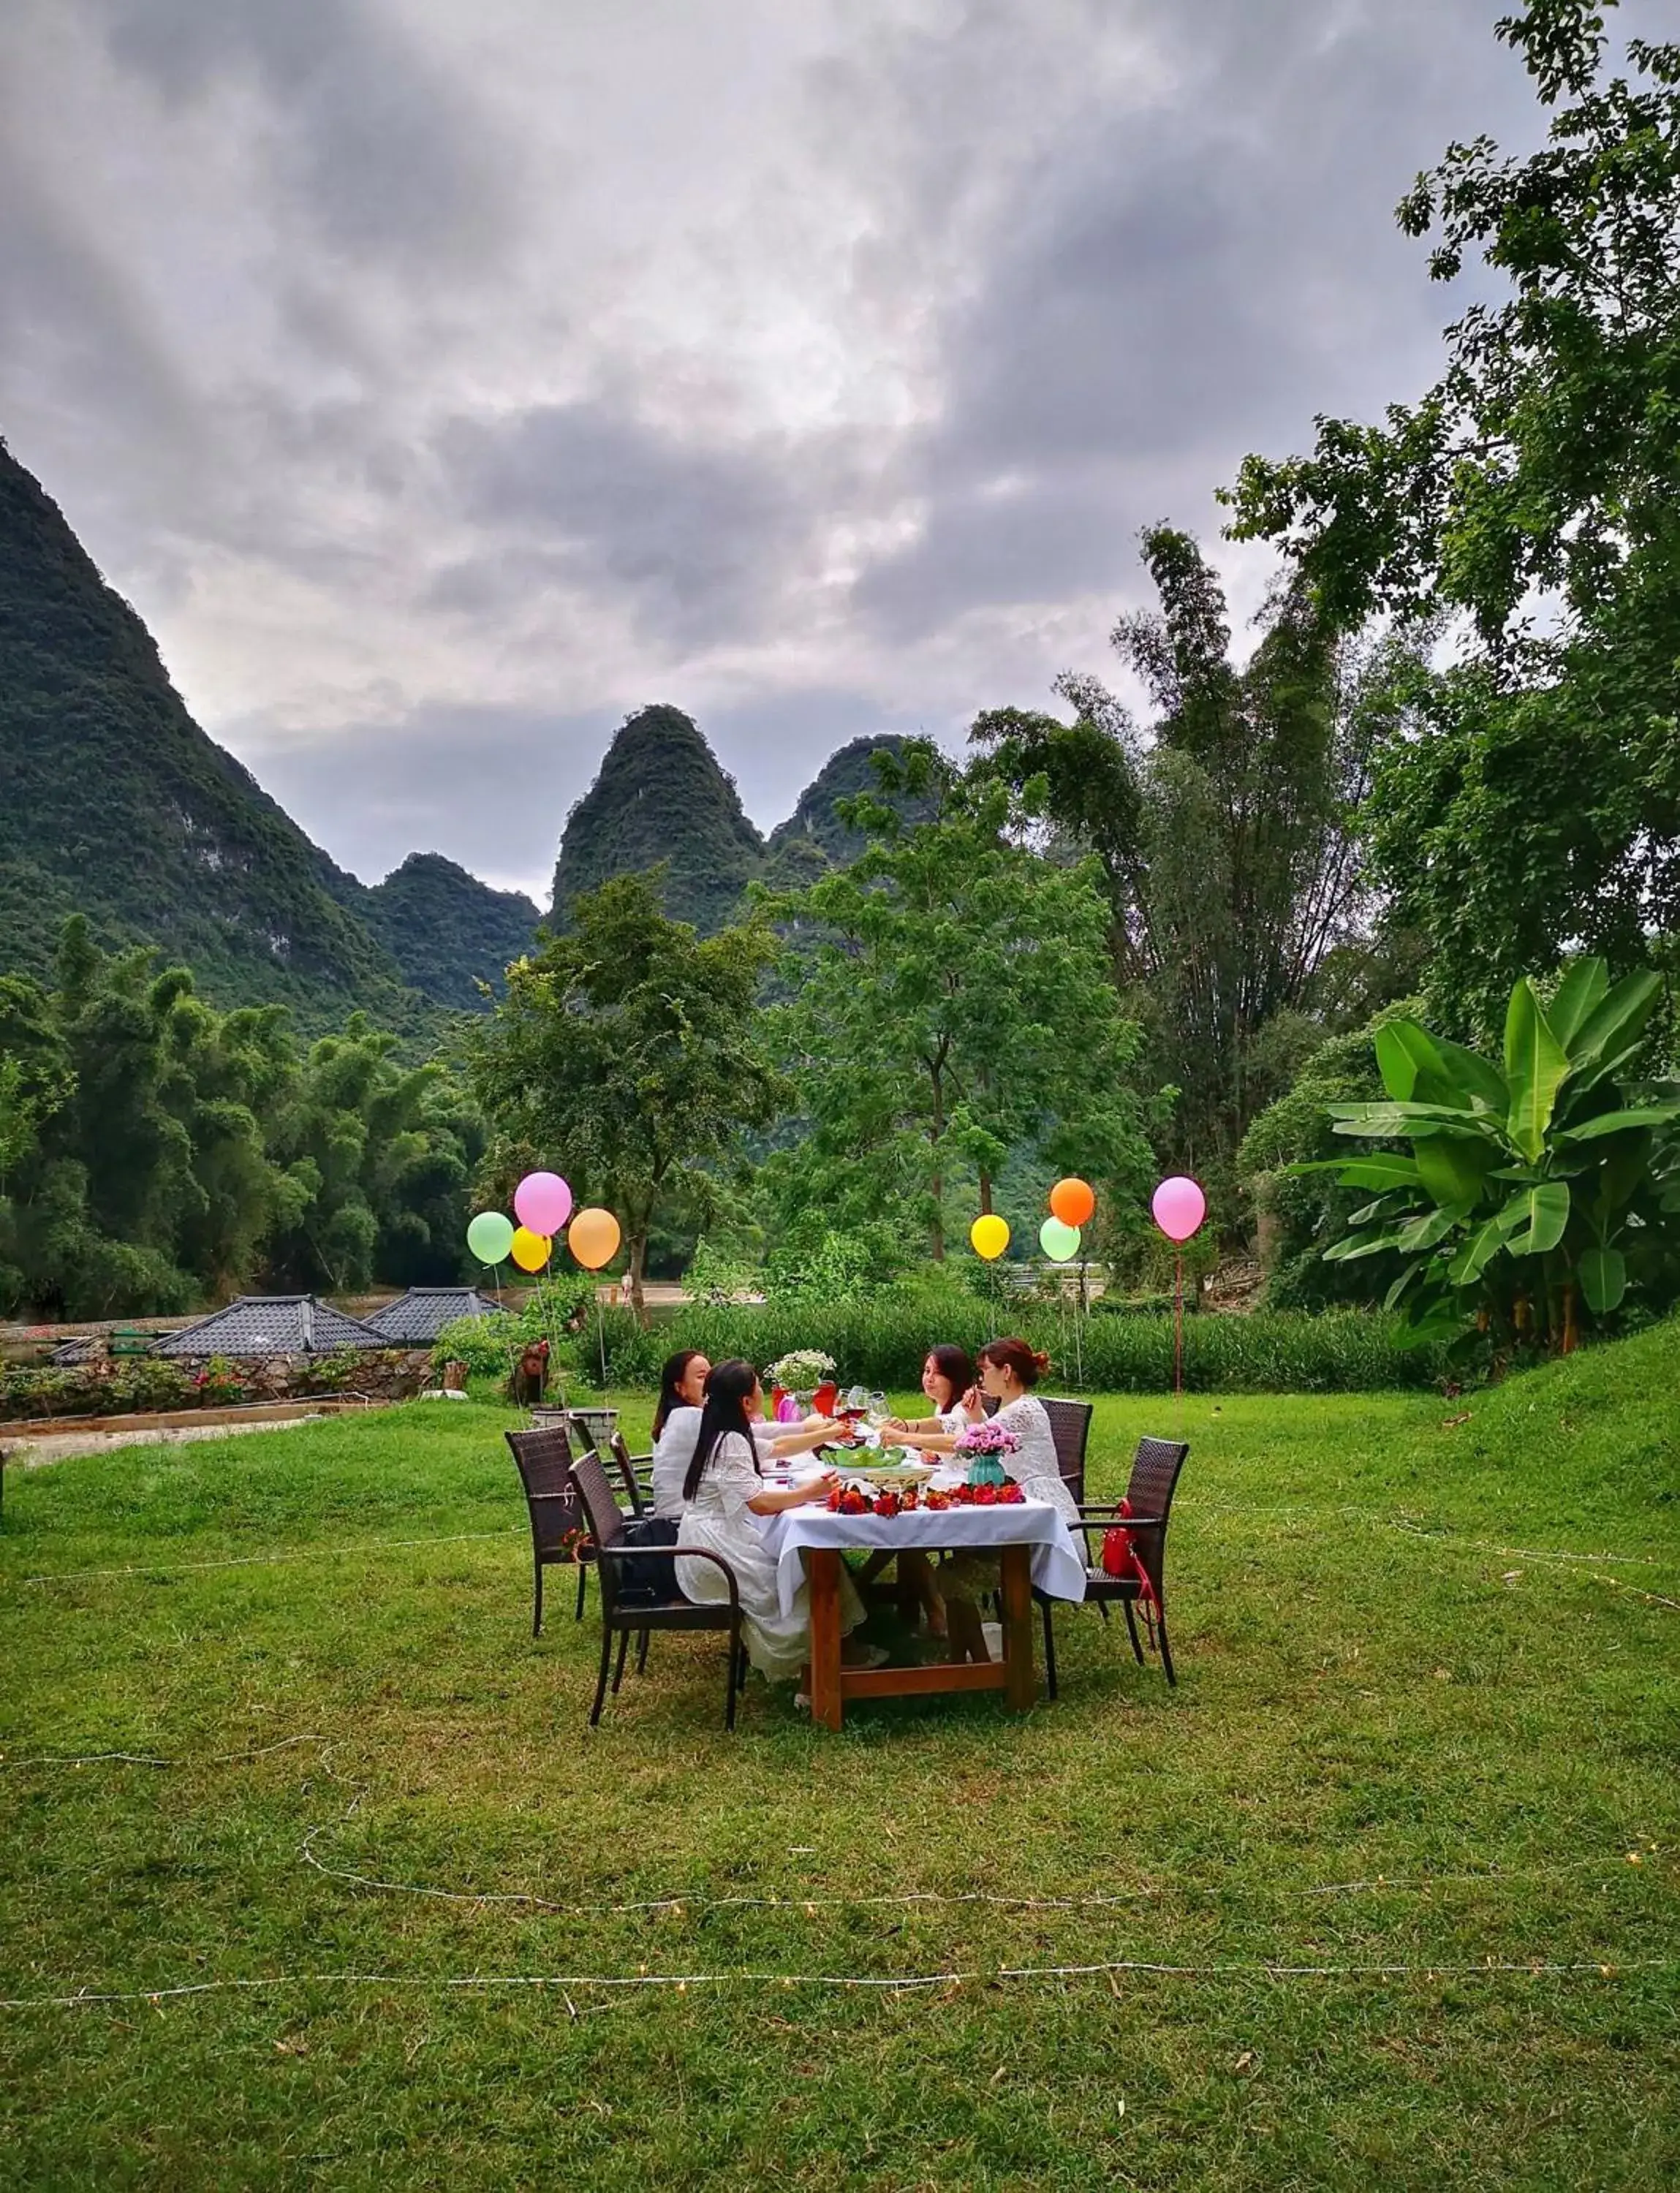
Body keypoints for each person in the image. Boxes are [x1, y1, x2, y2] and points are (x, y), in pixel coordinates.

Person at [676, 1359, 876, 1689]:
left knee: (805, 1558)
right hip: (713, 1552)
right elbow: (762, 1503)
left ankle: (836, 1655)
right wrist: (811, 1491)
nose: (763, 1392)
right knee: (797, 1577)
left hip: (708, 1537)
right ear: (745, 1401)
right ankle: (819, 1674)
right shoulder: (731, 1440)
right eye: (758, 1387)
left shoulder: (724, 1429)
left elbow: (778, 1448)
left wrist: (829, 1432)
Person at [893, 1338, 1077, 1662]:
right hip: (1018, 1514)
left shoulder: (1024, 1409)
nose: (980, 1378)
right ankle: (971, 1661)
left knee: (953, 1573)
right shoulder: (1011, 1409)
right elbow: (985, 1439)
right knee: (954, 1567)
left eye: (985, 1370)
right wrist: (976, 1415)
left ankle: (978, 1663)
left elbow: (970, 1441)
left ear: (1006, 1372)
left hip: (1042, 1528)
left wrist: (906, 1436)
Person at [649, 1349, 835, 1520]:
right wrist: (810, 1491)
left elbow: (762, 1446)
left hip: (692, 1522)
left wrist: (814, 1431)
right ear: (679, 1388)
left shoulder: (685, 1418)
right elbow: (769, 1451)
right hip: (681, 1525)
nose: (710, 1383)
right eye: (702, 1377)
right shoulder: (693, 1421)